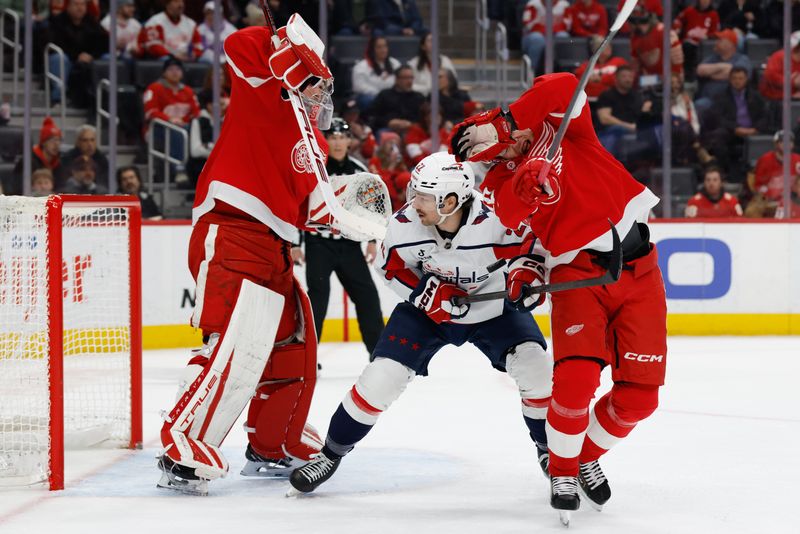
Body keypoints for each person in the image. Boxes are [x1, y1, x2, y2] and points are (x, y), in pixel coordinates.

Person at [448, 72, 667, 522]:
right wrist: (526, 183)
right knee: (575, 383)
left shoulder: (563, 127)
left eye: (499, 137)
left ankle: (583, 456)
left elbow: (564, 83)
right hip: (579, 277)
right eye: (494, 150)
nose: (507, 147)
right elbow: (511, 214)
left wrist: (508, 121)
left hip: (640, 270)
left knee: (640, 398)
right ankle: (562, 471)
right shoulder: (493, 186)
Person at [289, 152, 553, 494]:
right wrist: (424, 292)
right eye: (415, 192)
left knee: (537, 371)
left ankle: (550, 452)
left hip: (495, 309)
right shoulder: (403, 226)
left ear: (452, 199)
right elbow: (391, 268)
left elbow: (533, 251)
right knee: (380, 379)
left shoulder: (499, 220)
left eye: (425, 196)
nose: (415, 203)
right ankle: (330, 454)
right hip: (428, 314)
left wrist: (528, 275)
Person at [156, 15, 338, 495]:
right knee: (230, 343)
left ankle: (271, 442)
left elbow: (315, 209)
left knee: (292, 346)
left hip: (275, 246)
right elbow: (239, 42)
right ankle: (183, 446)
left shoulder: (314, 140)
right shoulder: (261, 85)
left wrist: (354, 216)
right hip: (231, 230)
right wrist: (281, 54)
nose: (320, 94)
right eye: (314, 80)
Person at [294, 119, 385, 355]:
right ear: (325, 140)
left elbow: (372, 207)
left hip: (349, 246)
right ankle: (307, 357)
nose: (337, 142)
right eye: (332, 138)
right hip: (318, 244)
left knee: (368, 298)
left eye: (341, 137)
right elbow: (297, 204)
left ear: (349, 141)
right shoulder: (315, 168)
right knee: (317, 303)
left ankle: (380, 355)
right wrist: (296, 243)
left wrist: (373, 241)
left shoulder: (357, 169)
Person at [143, 56, 200, 183]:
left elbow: (196, 113)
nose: (175, 72)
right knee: (176, 130)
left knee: (195, 129)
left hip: (183, 127)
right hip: (158, 129)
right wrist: (170, 119)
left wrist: (182, 120)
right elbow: (150, 112)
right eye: (171, 69)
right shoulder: (154, 88)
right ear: (164, 72)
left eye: (178, 69)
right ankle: (179, 168)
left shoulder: (188, 91)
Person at [703, 66, 768, 176]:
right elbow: (717, 118)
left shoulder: (756, 97)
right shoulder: (721, 97)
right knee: (717, 136)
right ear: (730, 79)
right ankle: (725, 172)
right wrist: (734, 128)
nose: (737, 81)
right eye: (734, 78)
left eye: (740, 78)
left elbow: (765, 116)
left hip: (753, 131)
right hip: (732, 131)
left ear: (746, 79)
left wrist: (755, 129)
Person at [46, 0, 107, 107]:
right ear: (68, 6)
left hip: (88, 59)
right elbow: (54, 44)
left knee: (108, 58)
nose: (80, 8)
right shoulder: (57, 21)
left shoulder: (91, 21)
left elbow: (103, 43)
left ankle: (105, 97)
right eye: (76, 4)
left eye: (83, 4)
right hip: (67, 58)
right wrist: (76, 56)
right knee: (58, 58)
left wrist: (91, 55)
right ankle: (58, 98)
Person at [745, 130, 800, 217]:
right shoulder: (765, 160)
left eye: (790, 141)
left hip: (791, 199)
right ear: (776, 144)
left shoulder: (798, 160)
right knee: (751, 212)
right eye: (782, 141)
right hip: (768, 199)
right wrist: (772, 194)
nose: (787, 144)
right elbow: (758, 185)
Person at [695, 29, 752, 112]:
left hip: (732, 101)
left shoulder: (742, 59)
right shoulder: (713, 58)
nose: (716, 42)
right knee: (699, 105)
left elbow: (736, 74)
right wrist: (722, 67)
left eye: (720, 40)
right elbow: (700, 70)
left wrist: (711, 74)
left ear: (729, 44)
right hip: (709, 100)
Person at [9, 117, 62, 196]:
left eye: (58, 140)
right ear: (43, 142)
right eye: (52, 140)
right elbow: (18, 188)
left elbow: (62, 187)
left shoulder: (59, 162)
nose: (56, 144)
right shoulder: (27, 161)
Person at [628, 4, 684, 78]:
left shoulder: (665, 32)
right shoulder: (634, 38)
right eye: (634, 22)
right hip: (650, 80)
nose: (638, 26)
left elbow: (677, 62)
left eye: (643, 22)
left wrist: (673, 79)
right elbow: (635, 68)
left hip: (670, 79)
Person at [368, 65, 425, 134]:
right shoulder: (385, 95)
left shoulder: (419, 97)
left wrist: (411, 124)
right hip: (388, 129)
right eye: (405, 78)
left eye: (411, 78)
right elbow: (372, 116)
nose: (409, 81)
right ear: (397, 80)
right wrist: (388, 122)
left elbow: (424, 118)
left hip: (412, 129)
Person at [137, 0, 202, 60]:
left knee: (205, 60)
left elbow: (198, 47)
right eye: (176, 1)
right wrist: (173, 56)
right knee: (166, 59)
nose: (181, 5)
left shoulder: (191, 24)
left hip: (186, 57)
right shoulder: (155, 22)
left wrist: (193, 54)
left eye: (182, 2)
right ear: (167, 4)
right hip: (166, 58)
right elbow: (153, 46)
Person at [520, 0, 571, 77]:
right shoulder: (533, 4)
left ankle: (563, 73)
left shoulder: (564, 4)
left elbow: (567, 26)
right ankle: (532, 72)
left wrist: (549, 30)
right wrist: (548, 29)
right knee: (537, 39)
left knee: (563, 36)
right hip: (534, 35)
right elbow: (527, 24)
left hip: (554, 34)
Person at [673, 0, 719, 81]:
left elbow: (715, 31)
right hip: (688, 41)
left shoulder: (713, 14)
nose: (704, 2)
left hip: (703, 43)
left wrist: (708, 36)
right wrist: (677, 28)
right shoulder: (689, 10)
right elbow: (677, 21)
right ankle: (687, 76)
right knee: (686, 47)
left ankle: (694, 77)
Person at [351, 36, 401, 110]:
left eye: (385, 46)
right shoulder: (361, 66)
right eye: (379, 47)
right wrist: (381, 95)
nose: (383, 50)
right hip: (373, 96)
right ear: (372, 49)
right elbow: (358, 87)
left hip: (393, 95)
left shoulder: (395, 63)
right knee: (366, 99)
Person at [574, 35, 628, 100]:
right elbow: (577, 81)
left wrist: (601, 79)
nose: (609, 48)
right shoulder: (586, 65)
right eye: (605, 46)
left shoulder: (619, 62)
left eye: (609, 46)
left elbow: (625, 78)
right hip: (590, 100)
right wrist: (588, 80)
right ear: (596, 49)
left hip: (614, 100)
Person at [368, 131, 411, 211]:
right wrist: (392, 166)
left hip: (398, 201)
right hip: (380, 197)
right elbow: (379, 182)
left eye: (396, 143)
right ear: (383, 145)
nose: (393, 146)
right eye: (390, 142)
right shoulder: (375, 161)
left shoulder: (399, 162)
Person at [60, 124, 109, 190]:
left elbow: (104, 184)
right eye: (85, 140)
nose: (89, 144)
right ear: (77, 142)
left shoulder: (102, 159)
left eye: (92, 140)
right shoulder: (67, 159)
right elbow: (64, 183)